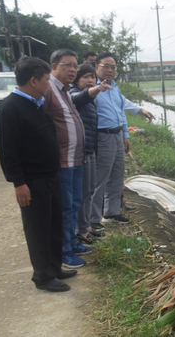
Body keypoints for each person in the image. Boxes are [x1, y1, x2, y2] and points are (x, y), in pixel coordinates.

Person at [0, 57, 77, 292]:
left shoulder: (36, 103)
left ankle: (54, 266)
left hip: (51, 175)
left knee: (54, 223)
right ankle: (43, 276)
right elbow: (8, 151)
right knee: (38, 228)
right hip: (32, 180)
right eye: (45, 81)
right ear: (33, 81)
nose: (48, 85)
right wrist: (19, 183)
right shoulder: (10, 109)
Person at [43, 49, 92, 269]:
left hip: (75, 158)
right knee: (65, 206)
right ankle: (64, 252)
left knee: (73, 203)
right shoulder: (47, 90)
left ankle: (72, 243)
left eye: (74, 65)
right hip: (62, 160)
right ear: (54, 67)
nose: (72, 70)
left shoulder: (63, 90)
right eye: (67, 65)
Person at [90, 52, 132, 224]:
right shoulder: (92, 88)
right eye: (105, 66)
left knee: (117, 175)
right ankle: (92, 220)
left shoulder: (115, 88)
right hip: (103, 136)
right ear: (96, 67)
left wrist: (126, 134)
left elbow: (120, 112)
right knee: (100, 179)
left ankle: (111, 212)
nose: (110, 70)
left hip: (117, 134)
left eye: (113, 67)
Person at [70, 62, 109, 243]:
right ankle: (81, 231)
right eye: (85, 77)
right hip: (81, 152)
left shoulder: (90, 98)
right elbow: (79, 98)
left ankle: (86, 227)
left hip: (90, 150)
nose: (89, 80)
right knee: (83, 193)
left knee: (90, 190)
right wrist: (98, 88)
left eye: (92, 77)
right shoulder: (72, 93)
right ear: (77, 79)